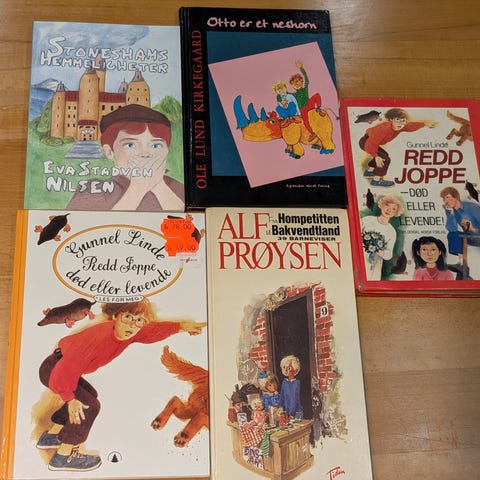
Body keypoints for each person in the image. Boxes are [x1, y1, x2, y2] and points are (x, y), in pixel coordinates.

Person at [37, 299, 205, 472]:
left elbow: (152, 331)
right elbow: (64, 370)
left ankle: (52, 436)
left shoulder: (129, 332)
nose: (132, 324)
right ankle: (63, 457)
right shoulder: (98, 337)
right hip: (55, 369)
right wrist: (70, 399)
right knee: (89, 405)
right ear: (116, 316)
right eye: (128, 317)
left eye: (139, 320)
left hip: (62, 368)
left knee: (89, 395)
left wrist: (181, 327)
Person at [67, 104, 184, 211]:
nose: (144, 153)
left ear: (167, 150)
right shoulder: (93, 190)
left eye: (156, 145)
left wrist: (159, 186)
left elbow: (187, 221)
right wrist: (137, 189)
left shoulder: (177, 188)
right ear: (109, 152)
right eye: (130, 145)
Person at [360, 108, 438, 187]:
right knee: (385, 159)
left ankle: (369, 172)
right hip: (366, 142)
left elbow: (411, 126)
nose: (400, 123)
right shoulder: (385, 129)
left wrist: (425, 124)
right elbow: (370, 143)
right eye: (397, 119)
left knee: (384, 155)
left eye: (403, 121)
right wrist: (375, 156)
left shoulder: (399, 126)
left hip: (370, 142)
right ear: (391, 119)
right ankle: (376, 181)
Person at [361, 196, 403, 280]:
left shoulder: (391, 231)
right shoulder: (367, 219)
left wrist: (382, 253)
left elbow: (389, 254)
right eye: (387, 205)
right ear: (382, 205)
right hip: (360, 256)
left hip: (375, 262)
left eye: (393, 209)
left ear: (396, 213)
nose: (389, 210)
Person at [440, 186, 480, 264]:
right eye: (444, 199)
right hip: (470, 237)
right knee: (453, 235)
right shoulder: (450, 210)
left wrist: (473, 229)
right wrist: (451, 214)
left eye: (447, 197)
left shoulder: (472, 207)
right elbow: (452, 229)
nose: (446, 201)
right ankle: (461, 262)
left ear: (456, 197)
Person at [289, 60, 322, 135]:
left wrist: (301, 68)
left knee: (316, 95)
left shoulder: (304, 89)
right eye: (293, 83)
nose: (296, 83)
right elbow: (285, 94)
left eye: (297, 81)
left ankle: (318, 108)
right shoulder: (294, 95)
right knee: (305, 120)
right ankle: (312, 133)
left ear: (301, 81)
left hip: (309, 105)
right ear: (292, 85)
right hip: (303, 109)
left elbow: (306, 79)